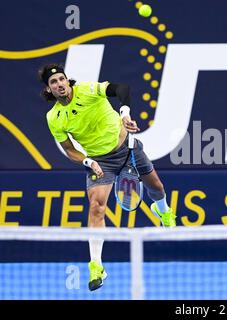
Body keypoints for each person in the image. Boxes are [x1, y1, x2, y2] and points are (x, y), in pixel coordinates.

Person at [38, 63, 176, 291]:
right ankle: (96, 265)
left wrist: (124, 113)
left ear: (67, 80)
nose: (59, 84)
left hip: (127, 148)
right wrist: (87, 161)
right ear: (49, 90)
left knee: (156, 187)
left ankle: (163, 211)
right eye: (54, 82)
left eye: (62, 79)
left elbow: (122, 89)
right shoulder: (54, 117)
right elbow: (69, 148)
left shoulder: (88, 90)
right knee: (96, 207)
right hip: (99, 162)